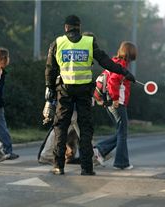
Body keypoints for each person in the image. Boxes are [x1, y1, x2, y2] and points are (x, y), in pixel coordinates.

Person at [45, 15, 136, 176]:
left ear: (66, 27)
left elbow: (50, 69)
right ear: (79, 27)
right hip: (84, 92)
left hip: (64, 91)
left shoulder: (58, 43)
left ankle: (59, 166)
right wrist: (124, 72)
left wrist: (49, 88)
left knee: (61, 127)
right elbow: (106, 61)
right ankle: (87, 168)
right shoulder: (88, 42)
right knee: (85, 128)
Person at [92, 41, 137, 170]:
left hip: (109, 102)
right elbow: (112, 82)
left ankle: (100, 150)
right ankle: (121, 162)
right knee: (122, 133)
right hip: (117, 103)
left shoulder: (114, 62)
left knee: (120, 132)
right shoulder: (120, 65)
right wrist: (116, 99)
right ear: (130, 54)